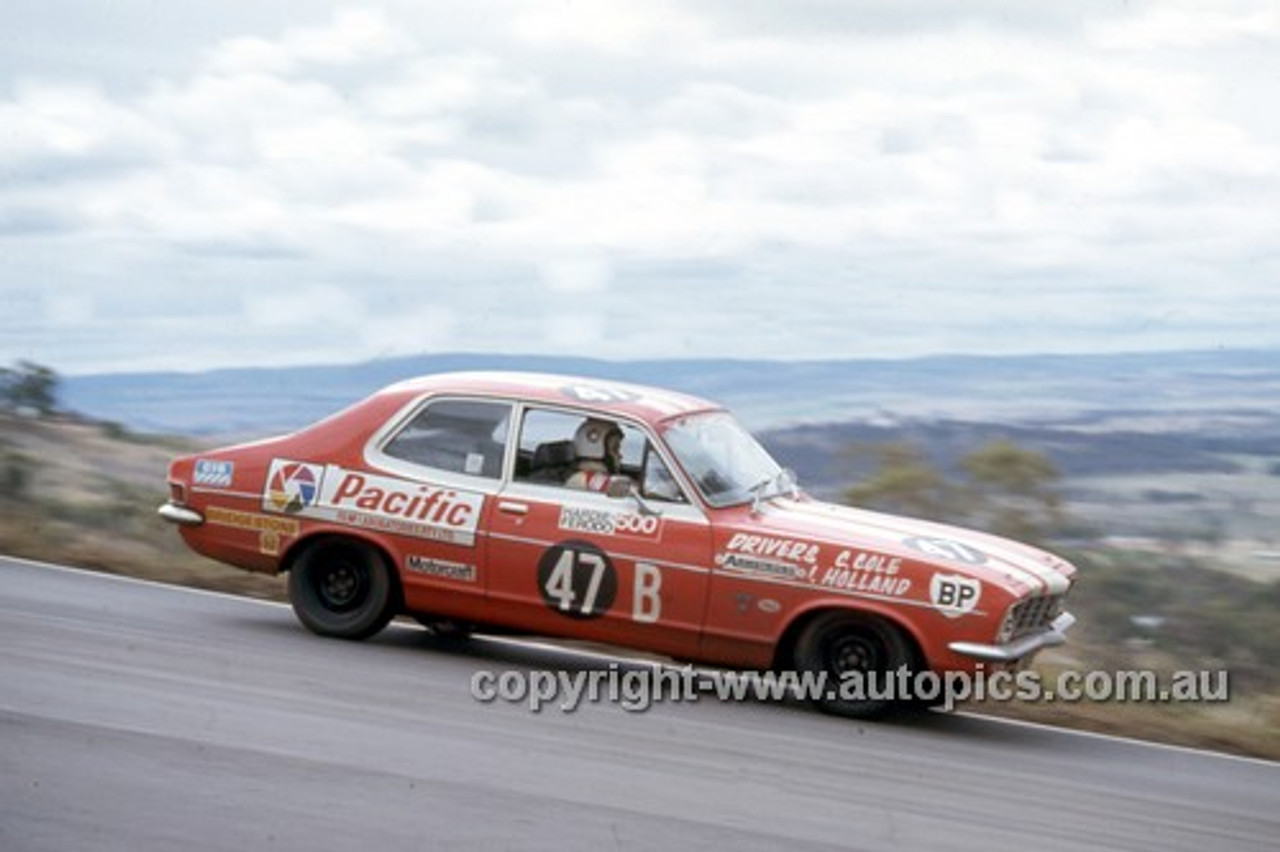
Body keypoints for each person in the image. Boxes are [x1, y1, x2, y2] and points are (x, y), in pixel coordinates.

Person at [566, 418, 625, 492]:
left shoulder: (592, 477)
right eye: (615, 449)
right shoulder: (583, 480)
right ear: (596, 450)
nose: (620, 456)